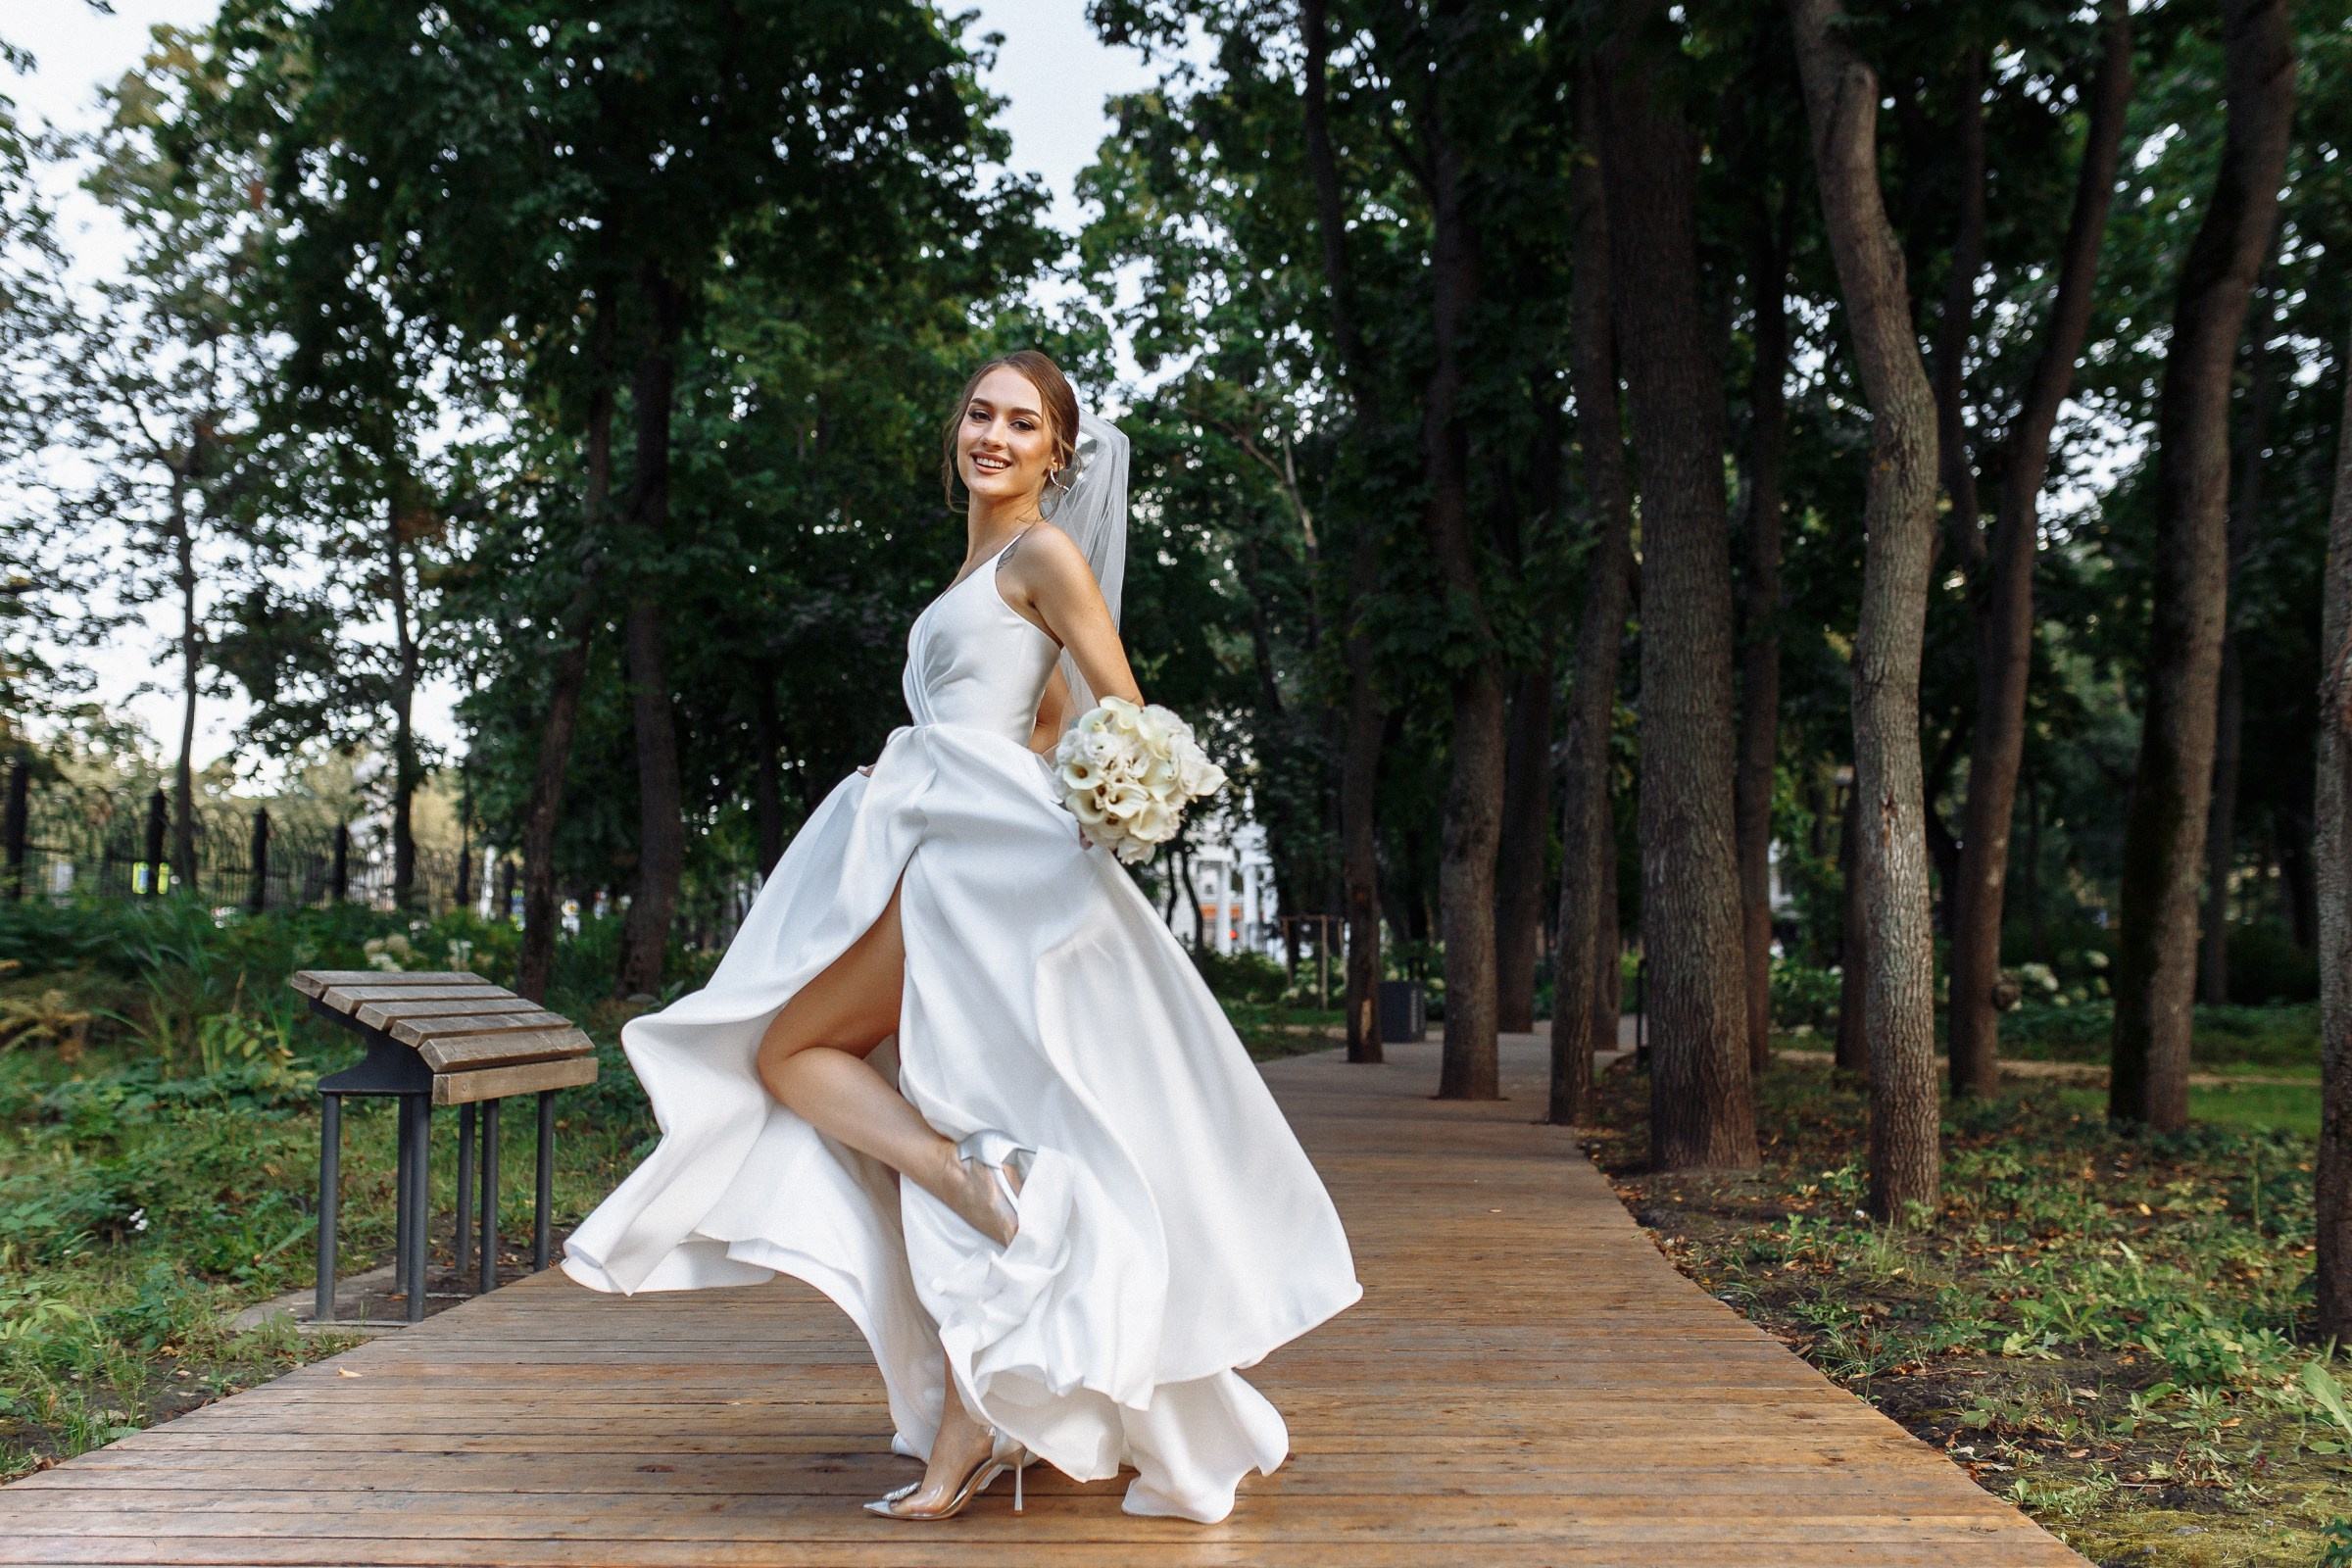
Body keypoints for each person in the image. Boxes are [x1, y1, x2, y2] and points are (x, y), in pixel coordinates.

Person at [562, 349, 1360, 1524]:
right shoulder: (980, 562)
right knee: (860, 1073)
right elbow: (1037, 722)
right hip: (935, 839)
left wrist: (1100, 801)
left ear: (1055, 451)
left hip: (984, 860)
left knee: (795, 1054)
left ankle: (974, 1223)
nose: (993, 434)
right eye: (980, 414)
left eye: (1021, 422)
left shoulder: (1044, 552)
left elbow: (1121, 712)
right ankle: (972, 1363)